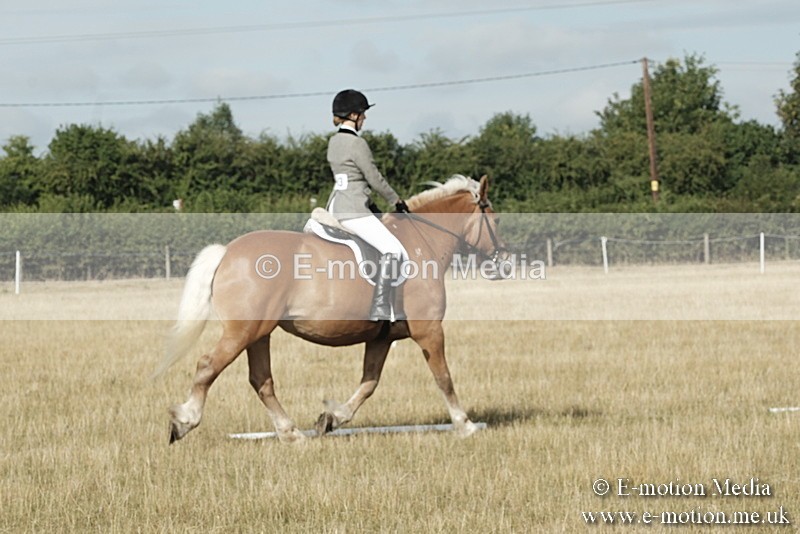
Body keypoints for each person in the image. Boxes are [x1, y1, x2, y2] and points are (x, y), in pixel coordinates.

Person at [326, 89, 410, 322]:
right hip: (352, 209)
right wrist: (396, 200)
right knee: (394, 250)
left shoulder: (333, 142)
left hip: (336, 204)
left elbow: (352, 179)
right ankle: (381, 306)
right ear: (353, 115)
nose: (365, 118)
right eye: (362, 114)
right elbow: (374, 178)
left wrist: (372, 205)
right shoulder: (357, 144)